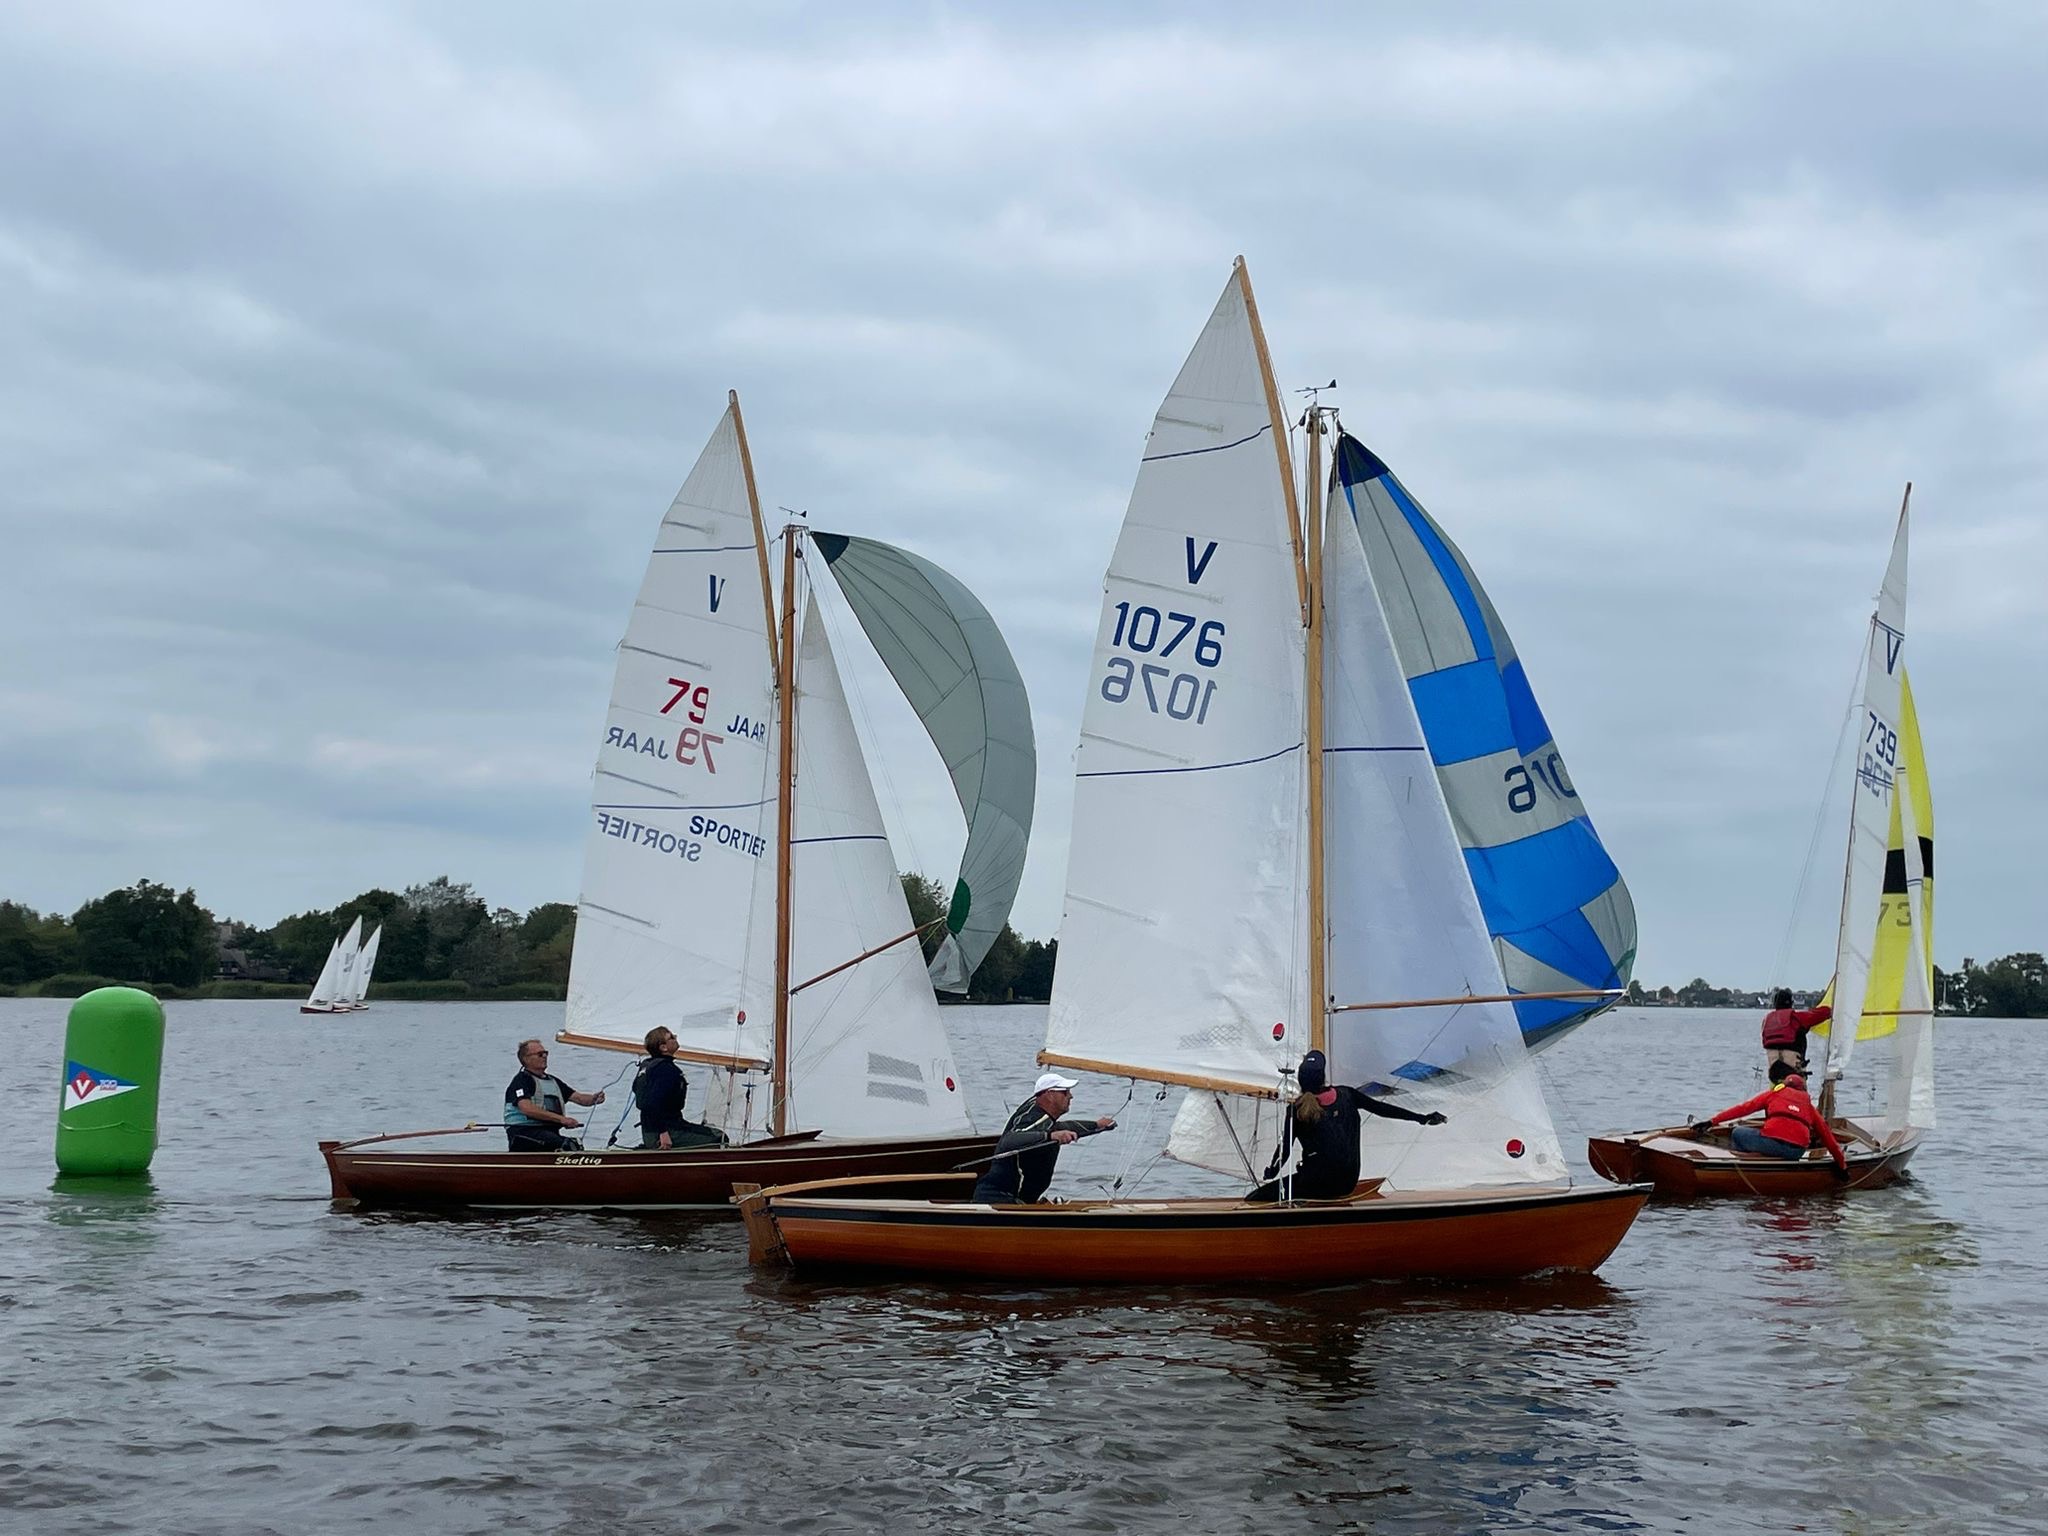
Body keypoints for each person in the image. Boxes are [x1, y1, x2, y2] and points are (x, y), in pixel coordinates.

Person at [1246, 1049, 1448, 1203]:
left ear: (1300, 1080)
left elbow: (1285, 1150)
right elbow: (1383, 1109)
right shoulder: (1348, 1095)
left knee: (1254, 1198)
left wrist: (1271, 1173)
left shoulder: (1296, 1110)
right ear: (1323, 1077)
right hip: (1347, 1183)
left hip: (1316, 1184)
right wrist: (1422, 1118)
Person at [972, 1072, 1116, 1204]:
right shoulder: (1034, 1117)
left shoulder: (1042, 1115)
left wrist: (1097, 1125)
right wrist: (1049, 1136)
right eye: (1065, 1092)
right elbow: (1009, 1140)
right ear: (1049, 1094)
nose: (1070, 1096)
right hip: (998, 1199)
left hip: (1018, 1201)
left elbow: (1063, 1127)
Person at [1691, 1061, 1849, 1177]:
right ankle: (1770, 1163)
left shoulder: (1773, 1094)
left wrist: (1712, 1121)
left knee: (1737, 1133)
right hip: (1796, 1153)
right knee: (1769, 1139)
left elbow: (1743, 1109)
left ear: (1783, 1085)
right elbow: (1828, 1138)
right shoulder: (1809, 1107)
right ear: (1803, 1089)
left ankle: (1748, 1167)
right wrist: (1842, 1167)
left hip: (1772, 1144)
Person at [632, 1028, 727, 1150]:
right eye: (671, 1037)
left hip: (651, 1131)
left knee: (708, 1134)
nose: (675, 1037)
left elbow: (639, 1093)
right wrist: (663, 1133)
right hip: (666, 1131)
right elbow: (652, 1103)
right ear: (663, 1048)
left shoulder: (647, 1066)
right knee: (719, 1138)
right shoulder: (666, 1070)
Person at [503, 1040, 605, 1152]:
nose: (545, 1056)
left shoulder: (553, 1081)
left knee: (574, 1145)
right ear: (526, 1059)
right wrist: (562, 1119)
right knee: (567, 1146)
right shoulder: (521, 1081)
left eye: (546, 1053)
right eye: (540, 1054)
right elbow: (527, 1108)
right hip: (524, 1133)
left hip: (547, 1133)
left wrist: (593, 1099)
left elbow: (579, 1098)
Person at [1761, 988, 1833, 1073]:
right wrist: (1832, 1008)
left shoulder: (1766, 1021)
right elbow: (1820, 1014)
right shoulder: (1796, 1018)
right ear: (1791, 1003)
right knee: (1796, 1083)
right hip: (1793, 1067)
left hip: (1773, 1067)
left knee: (1777, 1084)